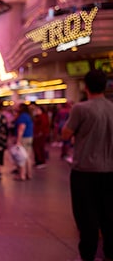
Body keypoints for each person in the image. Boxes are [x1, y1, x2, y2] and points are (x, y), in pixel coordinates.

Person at [61, 69, 113, 261]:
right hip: (110, 170)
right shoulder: (111, 108)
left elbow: (66, 134)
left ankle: (87, 255)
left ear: (86, 86)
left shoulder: (81, 109)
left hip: (85, 171)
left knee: (87, 217)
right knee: (109, 214)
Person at [14, 103, 34, 181]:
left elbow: (21, 129)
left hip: (24, 138)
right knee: (27, 156)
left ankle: (22, 175)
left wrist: (18, 140)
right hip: (29, 137)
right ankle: (29, 174)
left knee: (21, 156)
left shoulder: (22, 116)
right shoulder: (28, 116)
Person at [32, 104, 49, 168]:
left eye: (38, 110)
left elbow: (43, 125)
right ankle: (38, 161)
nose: (36, 111)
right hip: (37, 134)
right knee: (37, 148)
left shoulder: (42, 117)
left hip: (40, 135)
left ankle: (41, 161)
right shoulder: (38, 117)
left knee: (39, 148)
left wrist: (40, 132)